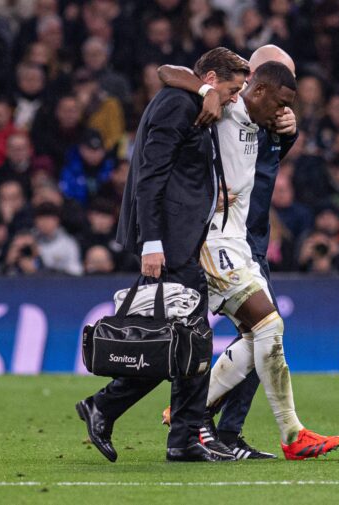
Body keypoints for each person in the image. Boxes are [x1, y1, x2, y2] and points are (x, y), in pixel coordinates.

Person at [160, 57, 339, 459]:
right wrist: (205, 90)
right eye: (279, 103)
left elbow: (265, 161)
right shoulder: (226, 103)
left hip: (239, 242)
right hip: (213, 243)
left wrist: (288, 132)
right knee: (269, 325)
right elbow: (167, 72)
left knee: (256, 335)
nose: (282, 112)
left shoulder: (262, 123)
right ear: (255, 90)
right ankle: (292, 434)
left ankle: (189, 410)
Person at [75, 47, 248, 464]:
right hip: (168, 242)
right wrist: (152, 242)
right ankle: (179, 436)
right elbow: (150, 174)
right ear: (209, 76)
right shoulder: (177, 103)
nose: (234, 98)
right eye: (231, 89)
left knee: (176, 343)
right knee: (188, 342)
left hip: (181, 239)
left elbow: (172, 72)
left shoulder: (192, 97)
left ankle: (112, 408)